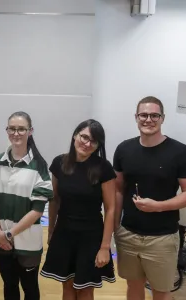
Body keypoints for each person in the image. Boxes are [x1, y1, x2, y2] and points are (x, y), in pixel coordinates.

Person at [113, 96, 186, 300]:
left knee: (161, 292)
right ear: (136, 117)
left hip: (162, 238)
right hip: (128, 234)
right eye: (143, 115)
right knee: (133, 287)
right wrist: (114, 226)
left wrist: (158, 206)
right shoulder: (124, 149)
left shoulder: (181, 153)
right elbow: (117, 190)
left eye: (154, 115)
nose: (148, 119)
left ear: (162, 118)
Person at [40, 119, 117, 300]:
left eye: (93, 141)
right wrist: (51, 230)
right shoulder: (59, 163)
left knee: (85, 289)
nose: (87, 144)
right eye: (84, 137)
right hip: (64, 233)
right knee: (67, 286)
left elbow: (111, 208)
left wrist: (105, 247)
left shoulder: (103, 168)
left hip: (91, 236)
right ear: (75, 135)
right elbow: (55, 200)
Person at [0, 111, 53, 300]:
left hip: (27, 241)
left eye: (21, 129)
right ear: (7, 130)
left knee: (30, 288)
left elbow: (37, 210)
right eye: (12, 129)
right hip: (1, 241)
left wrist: (9, 234)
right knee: (9, 285)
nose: (16, 133)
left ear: (30, 131)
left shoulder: (39, 165)